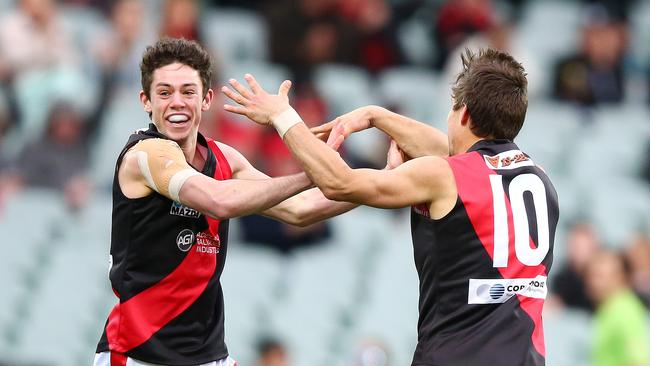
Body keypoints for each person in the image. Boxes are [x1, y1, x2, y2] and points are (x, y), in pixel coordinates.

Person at [223, 48, 559, 365]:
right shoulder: (540, 179)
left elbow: (340, 183)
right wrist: (377, 116)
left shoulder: (444, 175)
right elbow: (456, 153)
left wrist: (283, 118)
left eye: (452, 108)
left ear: (465, 113)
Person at [93, 38, 362, 366]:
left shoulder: (225, 159)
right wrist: (312, 170)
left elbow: (301, 209)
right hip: (138, 354)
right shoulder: (145, 154)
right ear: (145, 101)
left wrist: (386, 181)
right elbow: (217, 201)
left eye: (188, 92)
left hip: (207, 356)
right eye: (164, 93)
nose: (177, 102)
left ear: (206, 99)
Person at [584, 250, 650, 366]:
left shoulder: (625, 310)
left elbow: (638, 361)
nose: (592, 282)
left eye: (599, 276)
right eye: (590, 275)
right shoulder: (608, 308)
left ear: (619, 277)